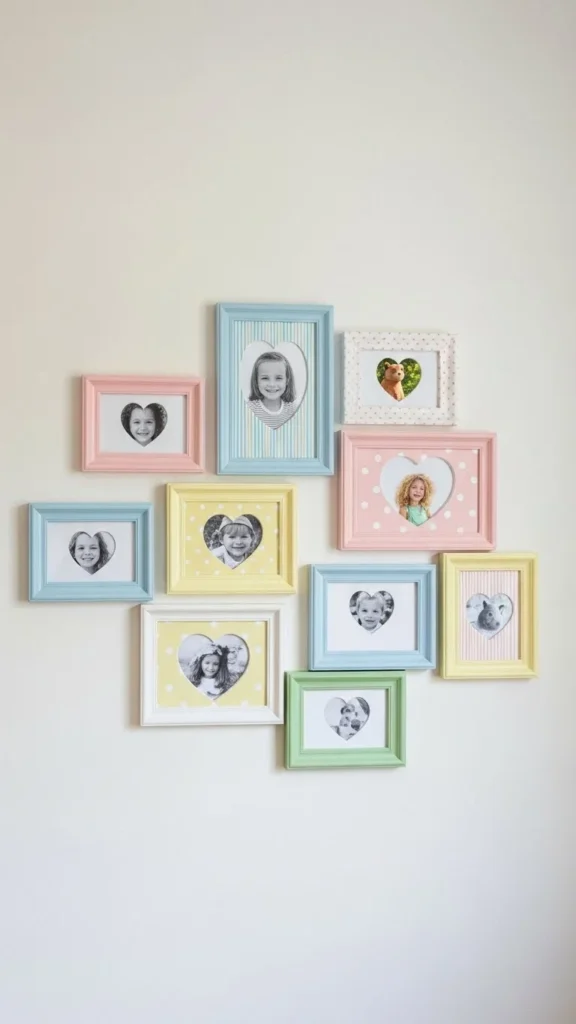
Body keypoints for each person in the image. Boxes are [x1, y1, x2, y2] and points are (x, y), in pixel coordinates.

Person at [247, 351, 297, 429]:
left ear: (287, 380)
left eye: (278, 378)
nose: (272, 384)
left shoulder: (293, 410)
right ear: (256, 381)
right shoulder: (249, 408)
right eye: (265, 378)